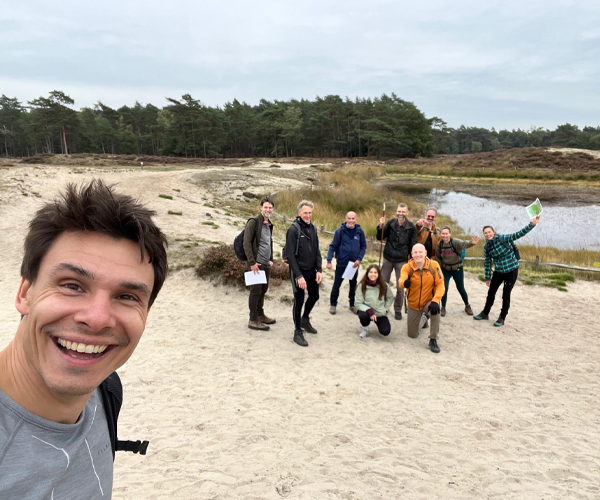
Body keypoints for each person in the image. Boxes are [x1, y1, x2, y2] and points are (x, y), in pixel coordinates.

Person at [0, 180, 168, 498]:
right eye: (72, 285)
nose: (97, 318)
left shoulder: (105, 391)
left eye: (127, 296)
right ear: (25, 293)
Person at [474, 215, 540, 326]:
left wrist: (532, 224)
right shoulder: (487, 247)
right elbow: (488, 262)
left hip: (511, 270)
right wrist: (487, 277)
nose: (488, 234)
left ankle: (502, 317)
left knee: (506, 294)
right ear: (484, 235)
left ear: (493, 232)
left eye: (489, 232)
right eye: (485, 233)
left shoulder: (503, 238)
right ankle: (485, 313)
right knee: (491, 292)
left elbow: (519, 234)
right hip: (498, 271)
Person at [286, 200, 323, 347]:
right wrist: (299, 276)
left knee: (315, 295)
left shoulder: (313, 228)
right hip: (298, 271)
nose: (308, 215)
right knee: (299, 301)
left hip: (311, 270)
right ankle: (297, 332)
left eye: (310, 213)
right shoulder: (293, 230)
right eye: (305, 213)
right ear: (299, 213)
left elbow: (317, 250)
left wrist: (319, 269)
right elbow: (290, 255)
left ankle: (305, 319)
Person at [399, 243, 445, 353]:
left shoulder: (434, 265)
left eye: (420, 252)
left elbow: (440, 284)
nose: (418, 254)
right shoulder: (407, 267)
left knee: (435, 310)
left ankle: (433, 339)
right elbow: (401, 281)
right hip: (414, 304)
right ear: (412, 254)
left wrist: (435, 300)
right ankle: (425, 317)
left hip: (429, 301)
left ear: (425, 253)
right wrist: (404, 283)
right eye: (415, 252)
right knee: (412, 334)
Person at [376, 203, 417, 320]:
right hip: (388, 258)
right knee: (383, 283)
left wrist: (412, 260)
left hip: (402, 260)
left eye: (403, 212)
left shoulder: (411, 227)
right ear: (396, 211)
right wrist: (381, 226)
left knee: (400, 286)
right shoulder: (390, 223)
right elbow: (380, 237)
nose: (401, 214)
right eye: (399, 211)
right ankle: (383, 305)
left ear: (407, 213)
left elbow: (413, 244)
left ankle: (398, 309)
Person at [244, 196, 275, 331]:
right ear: (261, 208)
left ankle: (260, 315)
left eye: (270, 207)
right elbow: (246, 243)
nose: (268, 210)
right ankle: (253, 319)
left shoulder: (269, 224)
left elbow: (269, 242)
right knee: (255, 291)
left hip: (266, 263)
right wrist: (252, 263)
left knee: (263, 290)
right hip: (255, 264)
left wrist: (271, 258)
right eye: (265, 207)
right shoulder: (253, 222)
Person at [326, 211, 367, 315]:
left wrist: (359, 259)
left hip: (353, 265)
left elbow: (363, 247)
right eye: (349, 218)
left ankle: (352, 305)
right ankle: (333, 304)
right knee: (337, 285)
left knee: (353, 285)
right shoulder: (340, 231)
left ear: (356, 219)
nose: (351, 221)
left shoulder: (360, 232)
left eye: (353, 218)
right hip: (341, 263)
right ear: (346, 219)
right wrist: (329, 260)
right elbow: (333, 246)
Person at [435, 226, 480, 316]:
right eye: (443, 233)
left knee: (460, 288)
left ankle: (467, 305)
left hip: (457, 268)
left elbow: (464, 244)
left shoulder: (455, 242)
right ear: (440, 234)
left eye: (446, 233)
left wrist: (472, 243)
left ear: (450, 234)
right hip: (445, 269)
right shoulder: (439, 244)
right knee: (444, 288)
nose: (445, 235)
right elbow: (438, 258)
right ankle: (443, 307)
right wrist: (439, 270)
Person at [355, 264, 395, 338]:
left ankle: (379, 322)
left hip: (379, 312)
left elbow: (390, 298)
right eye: (371, 272)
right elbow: (358, 303)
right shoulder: (361, 285)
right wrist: (369, 310)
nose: (373, 274)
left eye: (375, 272)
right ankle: (366, 329)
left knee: (385, 331)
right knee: (362, 315)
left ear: (378, 274)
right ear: (367, 274)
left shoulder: (384, 285)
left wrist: (385, 309)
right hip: (367, 312)